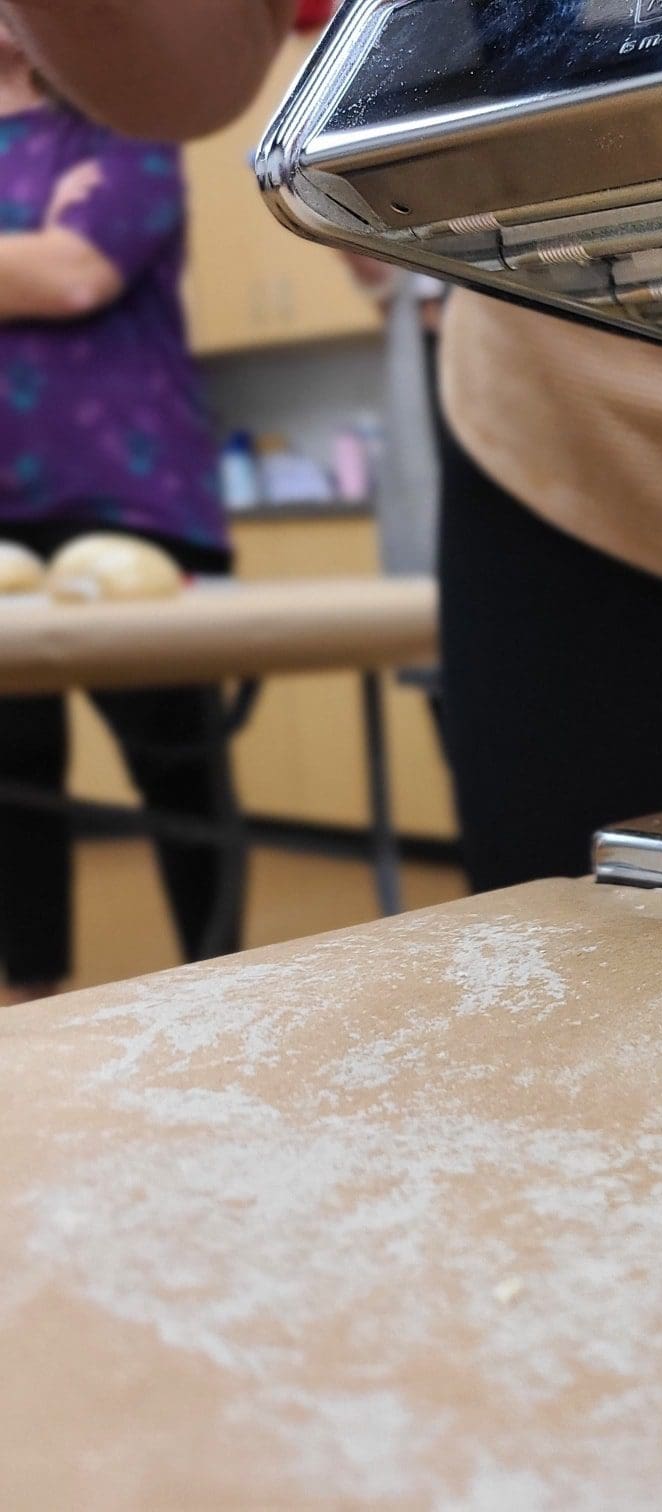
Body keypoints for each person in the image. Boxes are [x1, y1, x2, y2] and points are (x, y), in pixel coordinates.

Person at [8, 1, 662, 895]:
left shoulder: (104, 167)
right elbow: (181, 63)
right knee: (591, 948)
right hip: (572, 436)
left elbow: (77, 271)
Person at [0, 19, 240, 1004]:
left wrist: (48, 259)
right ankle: (28, 1009)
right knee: (11, 781)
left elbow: (75, 273)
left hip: (131, 488)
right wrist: (38, 247)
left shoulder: (124, 115)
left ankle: (226, 985)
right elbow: (46, 260)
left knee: (176, 765)